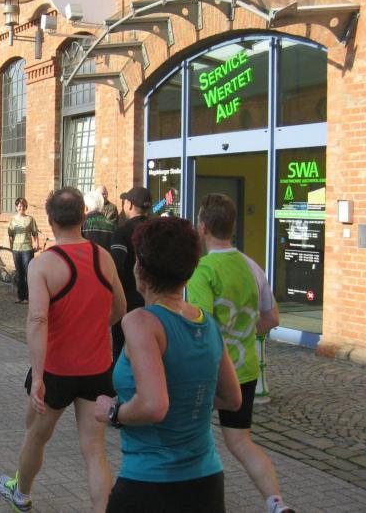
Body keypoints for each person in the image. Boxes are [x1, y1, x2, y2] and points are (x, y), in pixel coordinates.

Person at [94, 217, 242, 513]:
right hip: (206, 483)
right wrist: (185, 399)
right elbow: (231, 398)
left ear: (140, 268)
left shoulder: (141, 322)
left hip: (151, 483)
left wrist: (113, 412)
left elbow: (154, 405)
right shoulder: (208, 324)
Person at [0, 188, 126, 513]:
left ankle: (21, 495)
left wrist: (38, 377)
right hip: (98, 369)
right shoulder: (103, 257)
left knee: (35, 436)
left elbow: (38, 319)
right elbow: (120, 308)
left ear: (50, 220)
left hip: (56, 370)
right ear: (83, 216)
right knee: (94, 450)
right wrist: (94, 329)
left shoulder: (42, 265)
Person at [187, 193, 295, 513]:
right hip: (245, 370)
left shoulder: (203, 270)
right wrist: (243, 335)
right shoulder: (252, 266)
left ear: (202, 227)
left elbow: (202, 327)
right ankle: (276, 503)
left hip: (211, 372)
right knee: (240, 441)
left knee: (191, 438)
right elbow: (272, 318)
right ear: (232, 227)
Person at [109, 186, 151, 360]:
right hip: (154, 300)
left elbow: (116, 266)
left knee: (121, 350)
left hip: (127, 301)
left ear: (130, 205)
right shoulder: (157, 231)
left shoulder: (122, 232)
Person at [8, 197, 40, 304]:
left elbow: (34, 232)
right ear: (16, 207)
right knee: (19, 273)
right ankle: (20, 296)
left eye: (23, 206)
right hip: (16, 249)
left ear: (26, 207)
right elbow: (10, 235)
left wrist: (36, 243)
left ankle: (27, 297)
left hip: (27, 249)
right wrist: (11, 246)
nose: (21, 207)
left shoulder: (30, 219)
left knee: (28, 273)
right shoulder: (12, 219)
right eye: (19, 206)